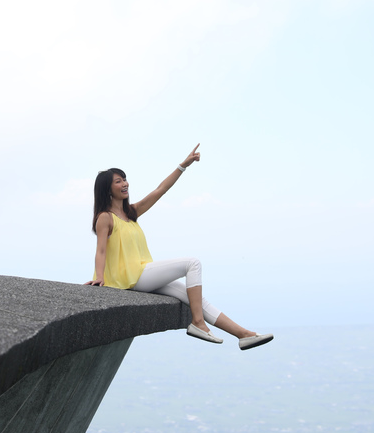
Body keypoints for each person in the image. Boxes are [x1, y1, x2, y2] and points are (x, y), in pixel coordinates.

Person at [85, 144, 273, 350]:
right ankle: (198, 324)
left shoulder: (131, 213)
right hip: (129, 277)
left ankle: (244, 335)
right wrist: (100, 278)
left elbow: (161, 189)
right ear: (107, 189)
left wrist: (183, 166)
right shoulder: (105, 217)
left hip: (141, 274)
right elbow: (100, 250)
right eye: (118, 181)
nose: (125, 183)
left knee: (196, 298)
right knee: (192, 263)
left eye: (125, 179)